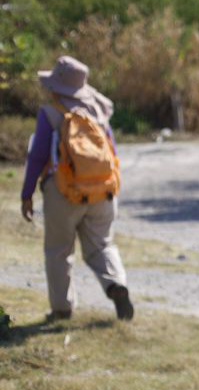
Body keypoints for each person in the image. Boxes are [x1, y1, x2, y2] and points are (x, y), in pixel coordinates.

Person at [19, 56, 133, 322]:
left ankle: (62, 309)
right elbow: (112, 152)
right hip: (102, 191)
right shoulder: (100, 110)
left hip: (64, 190)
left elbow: (37, 157)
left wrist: (26, 194)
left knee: (59, 251)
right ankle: (116, 284)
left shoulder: (51, 113)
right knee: (102, 245)